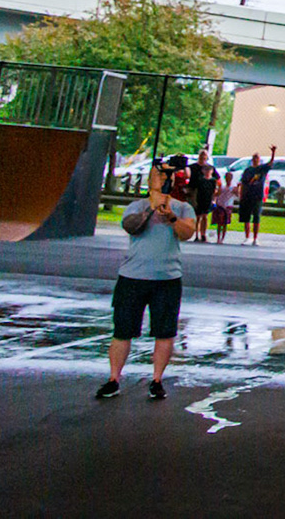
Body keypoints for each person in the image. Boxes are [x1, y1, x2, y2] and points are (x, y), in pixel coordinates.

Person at [97, 162, 196, 400]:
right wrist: (152, 208)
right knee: (122, 330)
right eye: (159, 177)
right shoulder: (136, 206)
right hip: (133, 276)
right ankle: (113, 378)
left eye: (166, 177)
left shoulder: (183, 208)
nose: (162, 181)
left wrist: (171, 217)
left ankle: (157, 379)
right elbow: (131, 227)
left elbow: (187, 232)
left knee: (165, 332)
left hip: (167, 278)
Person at [236, 146, 276, 247]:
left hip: (257, 196)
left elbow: (270, 164)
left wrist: (273, 153)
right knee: (246, 217)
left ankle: (255, 238)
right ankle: (247, 237)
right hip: (247, 196)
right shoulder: (248, 170)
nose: (255, 160)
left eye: (257, 158)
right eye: (254, 158)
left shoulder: (262, 169)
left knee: (256, 217)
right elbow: (244, 183)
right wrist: (241, 195)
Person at [189, 148, 218, 242]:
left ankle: (203, 234)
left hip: (207, 195)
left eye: (204, 156)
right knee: (197, 216)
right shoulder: (193, 167)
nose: (203, 157)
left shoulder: (210, 169)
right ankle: (195, 234)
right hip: (195, 192)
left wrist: (214, 198)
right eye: (201, 155)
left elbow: (217, 181)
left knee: (205, 216)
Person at [211, 172, 238, 244]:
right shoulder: (222, 186)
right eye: (227, 177)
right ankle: (218, 237)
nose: (228, 179)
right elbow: (216, 194)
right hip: (220, 205)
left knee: (225, 223)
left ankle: (222, 238)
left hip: (228, 206)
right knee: (219, 222)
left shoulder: (233, 187)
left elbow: (237, 195)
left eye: (229, 178)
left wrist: (238, 189)